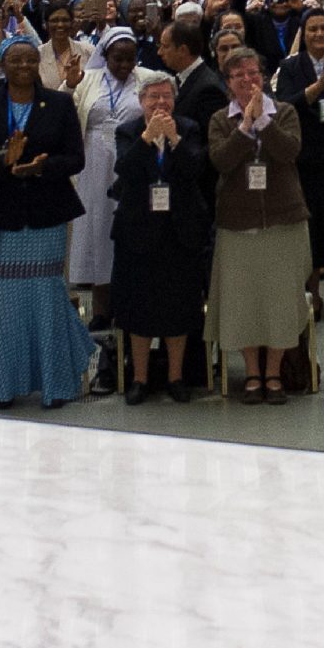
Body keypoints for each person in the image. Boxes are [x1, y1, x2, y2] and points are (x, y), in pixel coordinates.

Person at [0, 41, 95, 408]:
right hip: (1, 214)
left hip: (46, 212)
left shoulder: (59, 103)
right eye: (15, 59)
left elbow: (75, 159)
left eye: (30, 59)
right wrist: (6, 163)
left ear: (39, 63)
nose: (23, 65)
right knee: (4, 302)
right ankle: (1, 386)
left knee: (46, 296)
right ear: (2, 64)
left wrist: (41, 167)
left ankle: (55, 384)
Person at [207, 47, 312, 404]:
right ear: (228, 83)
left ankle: (274, 373)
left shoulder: (284, 112)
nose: (248, 81)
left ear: (263, 77)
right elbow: (221, 161)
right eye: (239, 76)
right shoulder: (221, 119)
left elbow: (289, 152)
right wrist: (245, 126)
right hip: (238, 224)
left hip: (284, 220)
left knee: (281, 299)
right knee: (244, 301)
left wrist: (263, 123)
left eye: (253, 74)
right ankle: (252, 371)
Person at [109, 72, 211, 403]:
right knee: (139, 304)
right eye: (153, 97)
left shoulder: (190, 128)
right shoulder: (128, 130)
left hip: (180, 230)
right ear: (141, 101)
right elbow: (125, 169)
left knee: (179, 305)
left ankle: (176, 376)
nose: (160, 102)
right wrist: (147, 139)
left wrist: (175, 141)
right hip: (138, 229)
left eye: (166, 96)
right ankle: (139, 378)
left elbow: (196, 170)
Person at [272, 9, 324, 317]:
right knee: (310, 229)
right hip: (305, 158)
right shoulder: (290, 66)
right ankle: (313, 292)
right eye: (313, 29)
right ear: (303, 34)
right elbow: (285, 106)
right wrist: (321, 84)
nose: (319, 34)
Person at [67, 27, 144, 315]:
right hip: (94, 162)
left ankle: (130, 306)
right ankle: (100, 308)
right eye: (117, 59)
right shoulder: (89, 79)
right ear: (105, 55)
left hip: (132, 160)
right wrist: (70, 84)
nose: (124, 65)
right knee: (98, 230)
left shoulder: (147, 79)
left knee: (129, 229)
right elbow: (69, 108)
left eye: (130, 59)